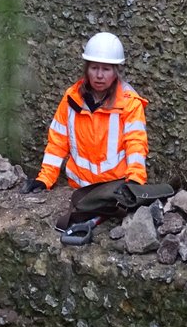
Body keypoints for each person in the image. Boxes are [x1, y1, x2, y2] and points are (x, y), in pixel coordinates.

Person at [21, 32, 156, 230]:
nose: (99, 75)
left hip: (111, 191)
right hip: (78, 190)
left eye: (106, 69)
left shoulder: (129, 103)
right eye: (94, 68)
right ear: (86, 69)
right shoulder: (71, 99)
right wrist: (45, 178)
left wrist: (135, 181)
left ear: (116, 71)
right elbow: (58, 141)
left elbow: (136, 144)